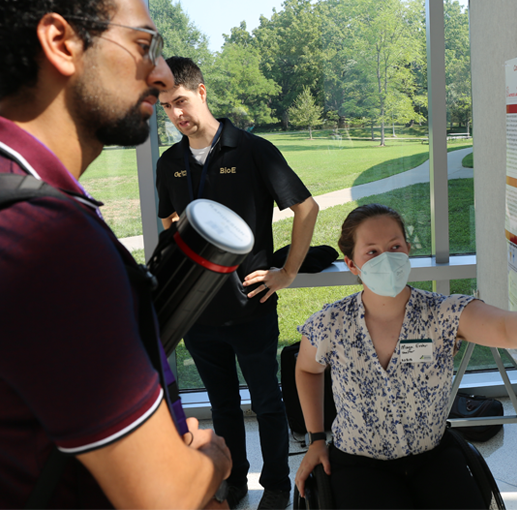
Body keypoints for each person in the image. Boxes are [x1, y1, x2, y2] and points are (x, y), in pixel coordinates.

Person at [0, 1, 233, 509]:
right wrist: (213, 460)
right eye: (142, 46)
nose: (159, 75)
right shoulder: (47, 246)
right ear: (61, 42)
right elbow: (163, 498)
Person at [294, 204, 517, 510]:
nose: (386, 259)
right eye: (372, 252)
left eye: (394, 247)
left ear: (407, 250)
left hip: (432, 455)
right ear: (351, 264)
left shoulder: (441, 313)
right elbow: (307, 370)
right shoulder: (331, 323)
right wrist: (317, 438)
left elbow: (503, 326)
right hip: (357, 461)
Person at [155, 56, 319, 510]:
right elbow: (170, 221)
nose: (176, 115)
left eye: (181, 102)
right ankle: (233, 482)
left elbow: (306, 209)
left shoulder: (252, 150)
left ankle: (278, 486)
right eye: (166, 107)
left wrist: (286, 273)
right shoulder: (169, 163)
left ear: (202, 92)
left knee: (267, 403)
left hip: (251, 307)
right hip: (199, 317)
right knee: (222, 406)